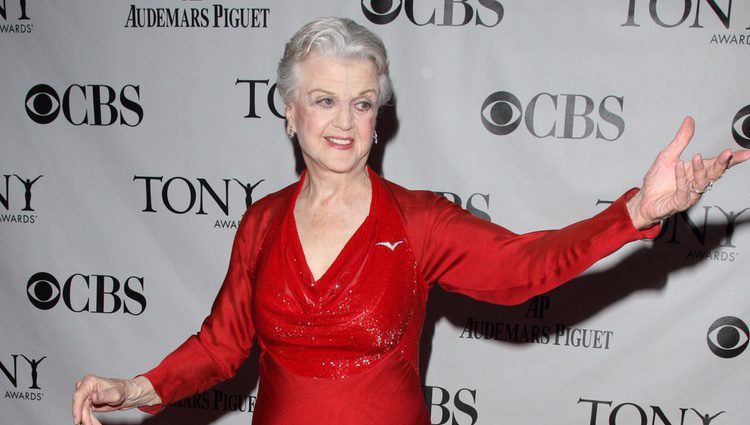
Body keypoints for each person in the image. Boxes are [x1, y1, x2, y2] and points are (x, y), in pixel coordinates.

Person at [71, 17, 749, 425]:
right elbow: (221, 346)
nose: (343, 121)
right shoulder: (261, 223)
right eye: (324, 99)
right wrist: (132, 386)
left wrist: (633, 212)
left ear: (378, 115)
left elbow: (523, 268)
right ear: (288, 110)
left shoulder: (420, 221)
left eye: (362, 103)